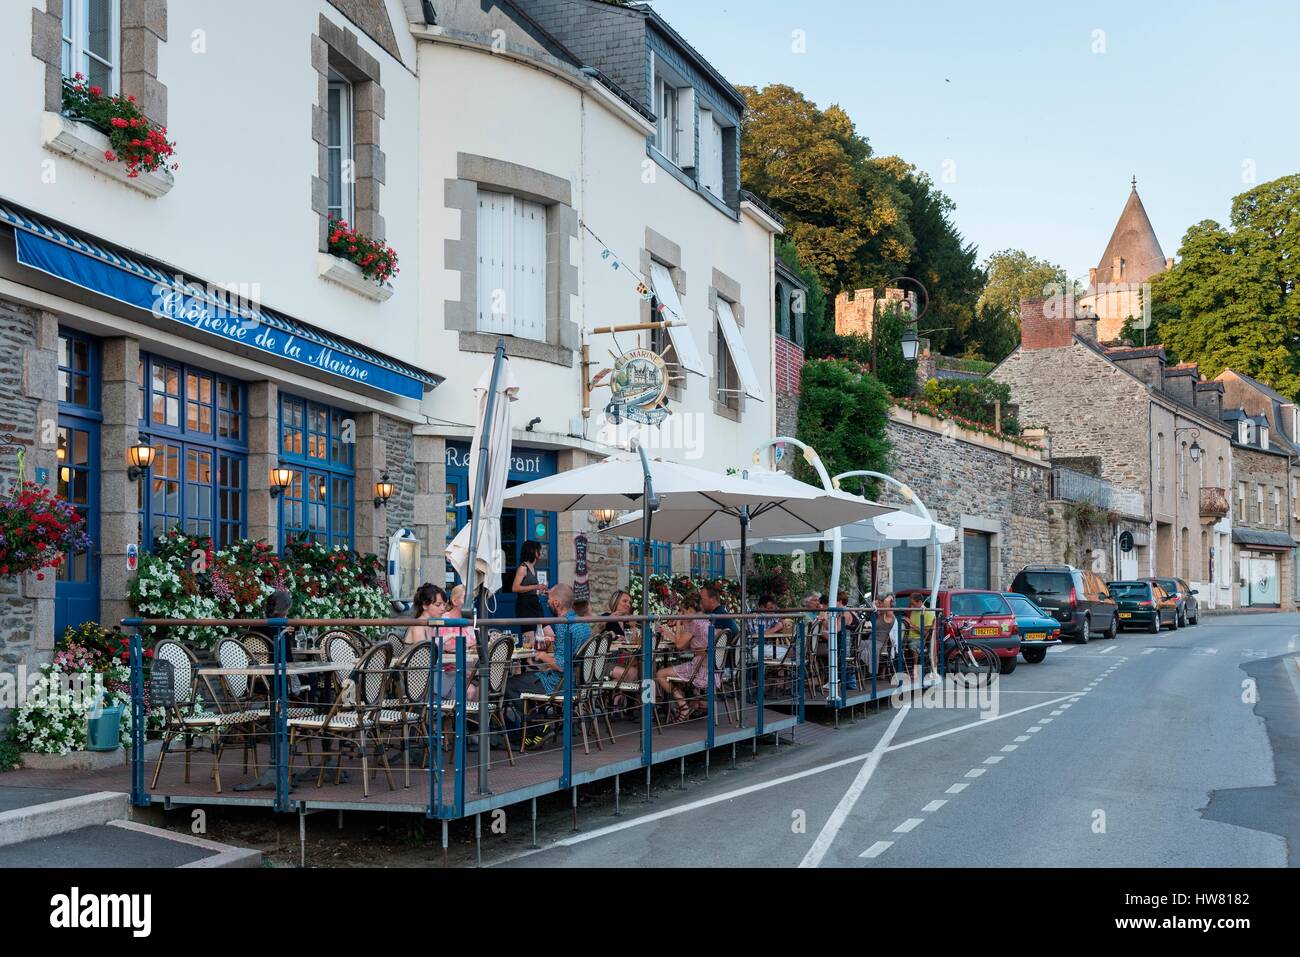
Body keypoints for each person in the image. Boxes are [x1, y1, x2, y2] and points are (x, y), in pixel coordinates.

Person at [504, 583, 590, 744]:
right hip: (579, 683)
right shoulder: (584, 625)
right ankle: (535, 725)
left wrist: (541, 655)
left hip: (559, 683)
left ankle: (537, 728)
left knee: (509, 684)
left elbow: (561, 665)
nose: (548, 602)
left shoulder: (564, 624)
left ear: (557, 602)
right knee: (525, 679)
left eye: (549, 598)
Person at [654, 593, 718, 722]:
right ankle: (688, 704)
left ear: (689, 610)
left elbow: (678, 645)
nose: (682, 614)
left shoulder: (695, 624)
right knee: (670, 673)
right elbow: (685, 646)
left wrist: (678, 623)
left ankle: (683, 706)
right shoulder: (705, 621)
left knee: (660, 674)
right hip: (711, 669)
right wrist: (666, 633)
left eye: (682, 612)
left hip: (699, 670)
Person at [511, 541, 548, 642]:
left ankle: (541, 657)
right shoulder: (523, 568)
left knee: (549, 635)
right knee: (530, 640)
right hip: (525, 605)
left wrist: (542, 591)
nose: (540, 552)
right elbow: (515, 588)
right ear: (533, 551)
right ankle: (529, 658)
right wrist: (536, 586)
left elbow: (531, 588)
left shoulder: (533, 567)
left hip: (535, 603)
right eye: (538, 550)